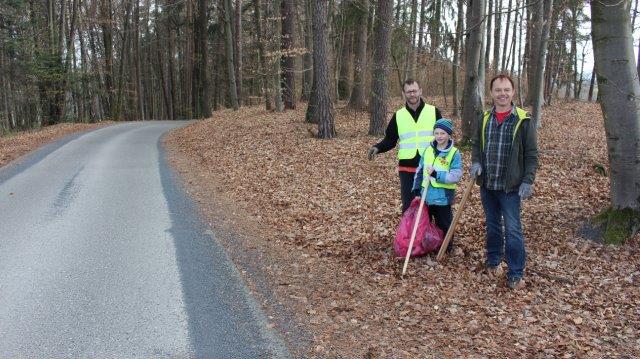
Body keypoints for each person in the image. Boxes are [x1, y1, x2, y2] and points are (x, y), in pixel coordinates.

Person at [470, 74, 538, 290]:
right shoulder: (485, 118)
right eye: (498, 90)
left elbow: (531, 154)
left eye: (506, 90)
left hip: (511, 187)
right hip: (488, 185)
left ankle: (516, 273)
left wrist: (528, 180)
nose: (502, 94)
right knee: (492, 226)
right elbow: (476, 146)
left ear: (513, 92)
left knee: (513, 229)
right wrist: (476, 163)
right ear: (491, 93)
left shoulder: (523, 119)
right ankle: (493, 262)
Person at [367, 79, 443, 213]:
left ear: (420, 91)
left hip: (431, 168)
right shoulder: (398, 116)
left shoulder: (433, 111)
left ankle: (437, 234)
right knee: (409, 208)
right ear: (404, 94)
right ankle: (410, 235)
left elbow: (443, 137)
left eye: (414, 91)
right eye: (408, 92)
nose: (412, 94)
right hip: (407, 170)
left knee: (435, 208)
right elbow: (390, 139)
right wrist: (377, 148)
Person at [411, 119, 462, 253]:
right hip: (426, 195)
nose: (439, 136)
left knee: (444, 224)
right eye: (437, 133)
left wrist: (436, 175)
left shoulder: (454, 153)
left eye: (443, 133)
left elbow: (455, 176)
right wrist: (416, 188)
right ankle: (428, 245)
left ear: (449, 135)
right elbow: (420, 169)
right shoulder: (428, 150)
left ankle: (446, 247)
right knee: (425, 223)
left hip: (443, 197)